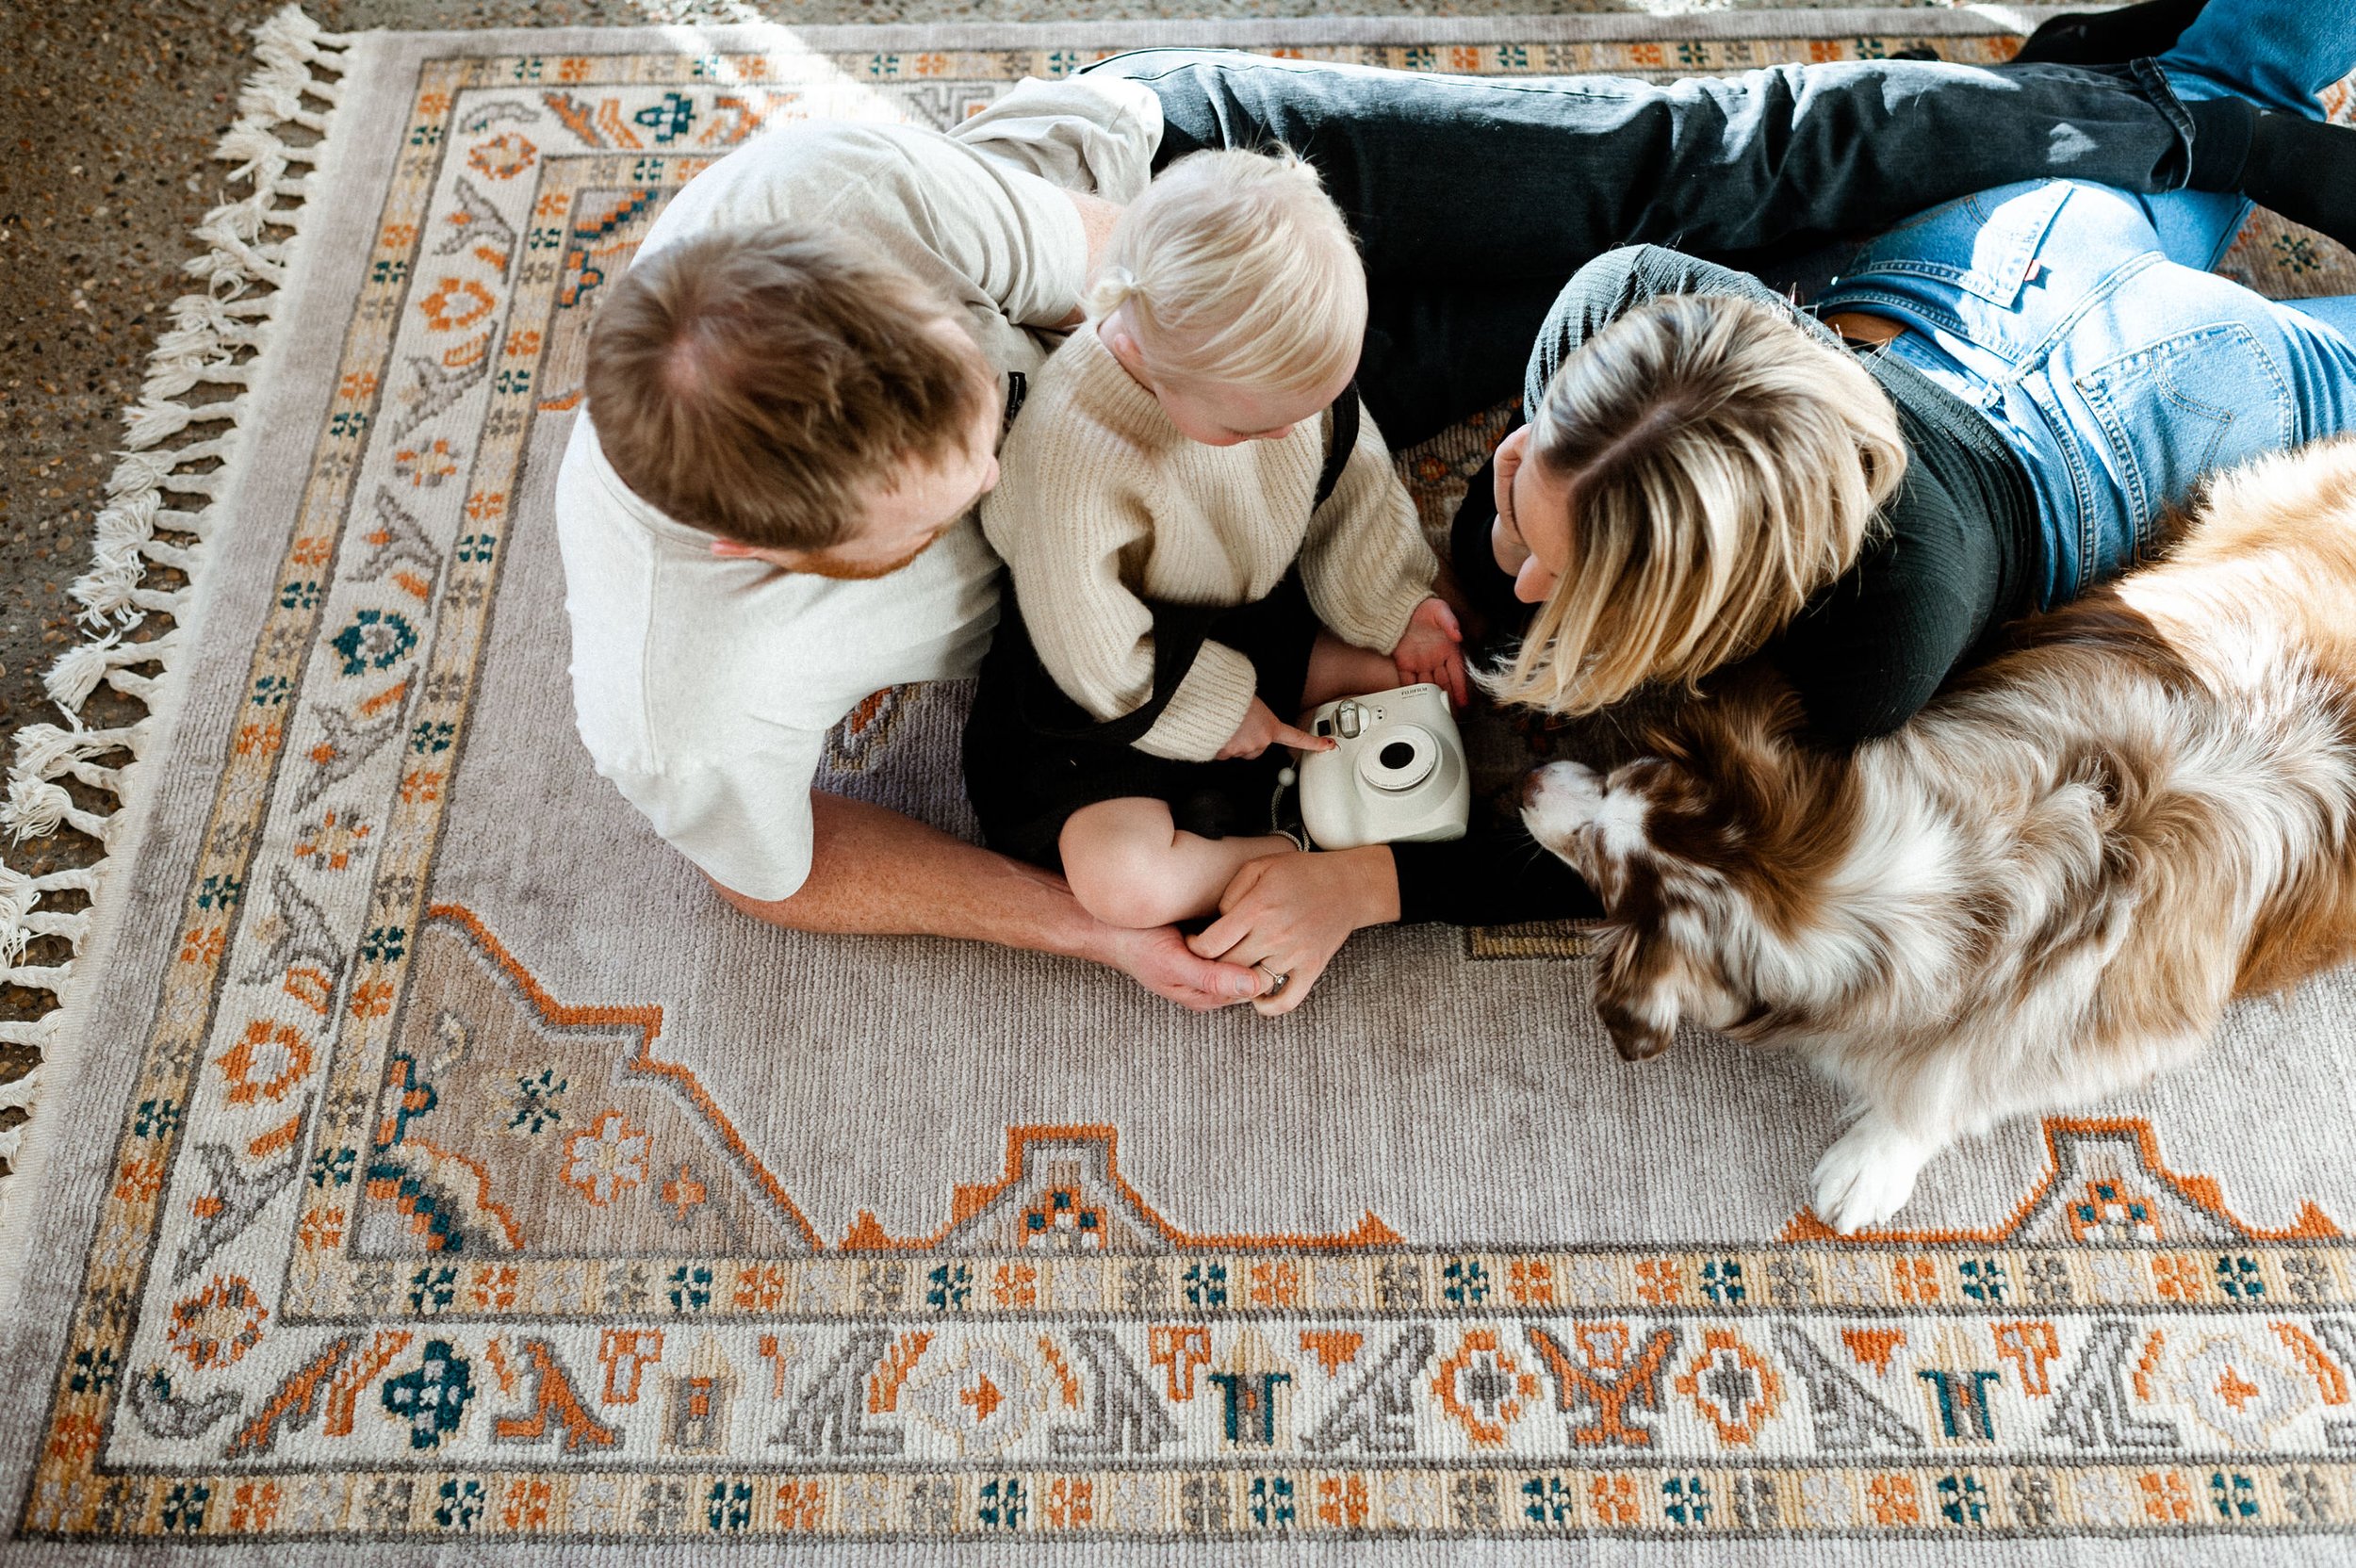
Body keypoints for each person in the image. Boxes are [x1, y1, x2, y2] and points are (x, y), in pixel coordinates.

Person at [555, 36, 2336, 1016]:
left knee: (1697, 165)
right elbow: (764, 865)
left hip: (1218, 267)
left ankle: (2149, 117)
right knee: (1848, 239)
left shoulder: (833, 205)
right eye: (964, 502)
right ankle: (2151, 116)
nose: (1039, 421)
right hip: (1238, 435)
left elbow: (1146, 291)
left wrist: (1287, 388)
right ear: (764, 558)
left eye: (1006, 387)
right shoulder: (682, 693)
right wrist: (1092, 927)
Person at [1447, 0, 2356, 750]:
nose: (1534, 586)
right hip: (2010, 254)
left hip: (2156, 421)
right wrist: (1510, 532)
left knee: (2228, 103)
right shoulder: (1618, 298)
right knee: (2229, 84)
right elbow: (1526, 558)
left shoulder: (1873, 647)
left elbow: (1679, 804)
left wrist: (1501, 553)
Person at [964, 149, 1466, 939]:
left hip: (1237, 615)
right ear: (1140, 355)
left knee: (1406, 680)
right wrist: (1216, 712)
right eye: (1253, 427)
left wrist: (1393, 601)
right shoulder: (1072, 457)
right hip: (1108, 680)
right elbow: (1093, 653)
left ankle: (1302, 798)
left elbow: (1353, 481)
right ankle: (1288, 851)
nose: (1291, 434)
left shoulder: (1284, 393)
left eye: (1316, 404)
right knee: (1123, 882)